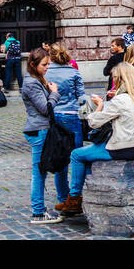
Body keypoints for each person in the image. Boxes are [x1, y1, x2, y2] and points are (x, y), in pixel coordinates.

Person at [59, 63, 134, 218]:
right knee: (90, 154)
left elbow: (94, 122)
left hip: (124, 148)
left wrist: (100, 105)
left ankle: (74, 199)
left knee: (77, 154)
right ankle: (85, 193)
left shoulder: (121, 100)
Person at [21, 46, 64, 224]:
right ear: (33, 64)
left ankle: (39, 209)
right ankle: (38, 212)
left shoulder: (37, 79)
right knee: (39, 173)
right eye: (44, 65)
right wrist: (54, 93)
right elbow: (45, 109)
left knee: (42, 171)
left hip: (41, 129)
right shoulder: (31, 82)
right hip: (39, 130)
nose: (48, 68)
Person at [45, 42, 86, 206]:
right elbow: (82, 99)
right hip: (71, 116)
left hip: (53, 117)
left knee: (59, 157)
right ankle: (76, 195)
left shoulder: (46, 73)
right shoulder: (74, 72)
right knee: (77, 156)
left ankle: (63, 197)